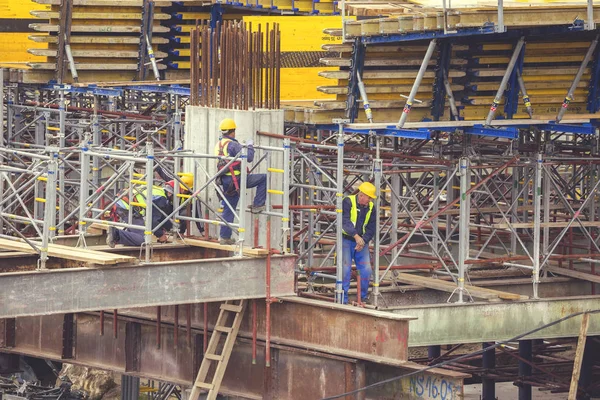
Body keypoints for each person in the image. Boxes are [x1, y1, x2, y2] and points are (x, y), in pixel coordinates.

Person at [214, 118, 266, 245]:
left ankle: (224, 237)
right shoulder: (232, 145)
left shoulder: (220, 144)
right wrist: (250, 146)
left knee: (229, 208)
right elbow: (249, 157)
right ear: (232, 132)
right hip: (237, 179)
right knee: (264, 178)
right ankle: (258, 205)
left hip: (225, 180)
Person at [341, 181, 377, 304]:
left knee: (366, 270)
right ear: (362, 195)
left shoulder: (371, 207)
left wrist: (363, 241)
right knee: (345, 269)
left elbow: (371, 227)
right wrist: (356, 236)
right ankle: (342, 298)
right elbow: (345, 222)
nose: (370, 201)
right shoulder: (348, 201)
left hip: (361, 242)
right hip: (347, 240)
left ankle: (362, 297)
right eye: (369, 198)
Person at [106, 184, 174, 247]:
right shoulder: (161, 198)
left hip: (123, 203)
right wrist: (160, 235)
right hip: (127, 207)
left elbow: (160, 216)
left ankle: (124, 236)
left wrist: (168, 227)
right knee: (142, 240)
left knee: (136, 232)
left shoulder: (157, 191)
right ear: (170, 193)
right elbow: (152, 221)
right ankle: (116, 234)